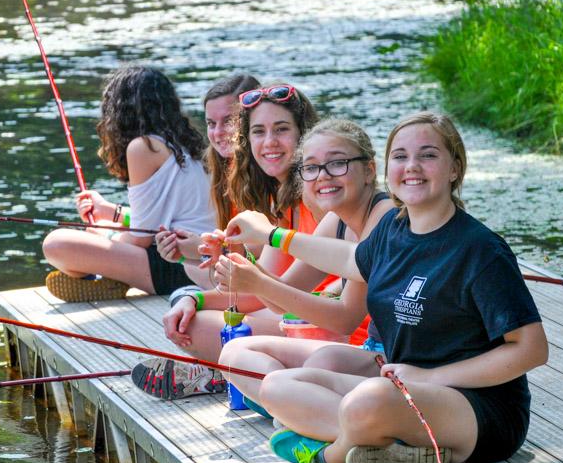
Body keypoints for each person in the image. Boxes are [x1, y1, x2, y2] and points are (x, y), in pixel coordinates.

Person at [221, 112, 548, 463]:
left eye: (427, 155)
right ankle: (389, 446)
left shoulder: (481, 250)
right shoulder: (394, 229)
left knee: (368, 402)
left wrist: (431, 376)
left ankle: (333, 453)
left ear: (455, 168)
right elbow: (348, 259)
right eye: (401, 156)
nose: (412, 167)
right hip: (403, 388)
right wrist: (272, 237)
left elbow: (531, 350)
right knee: (277, 387)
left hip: (477, 407)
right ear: (388, 167)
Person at [131, 84, 320, 397]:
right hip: (293, 316)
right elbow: (268, 287)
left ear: (304, 134)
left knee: (200, 320)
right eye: (259, 132)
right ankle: (231, 371)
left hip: (322, 331)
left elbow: (273, 292)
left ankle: (223, 374)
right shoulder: (282, 200)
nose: (269, 142)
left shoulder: (317, 195)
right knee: (188, 303)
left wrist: (223, 270)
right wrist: (197, 298)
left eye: (282, 129)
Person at [215, 117, 395, 408]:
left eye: (337, 164)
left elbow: (345, 318)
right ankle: (290, 403)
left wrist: (260, 272)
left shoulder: (384, 217)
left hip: (387, 359)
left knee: (326, 360)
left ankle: (292, 406)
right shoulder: (336, 220)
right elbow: (280, 301)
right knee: (235, 353)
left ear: (369, 170)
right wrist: (241, 260)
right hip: (361, 354)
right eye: (311, 168)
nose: (323, 176)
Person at [42, 65, 215, 301]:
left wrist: (105, 238)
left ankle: (114, 275)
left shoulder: (143, 147)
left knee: (56, 244)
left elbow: (141, 238)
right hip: (201, 259)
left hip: (177, 265)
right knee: (94, 235)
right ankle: (114, 275)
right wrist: (111, 213)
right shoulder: (185, 144)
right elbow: (157, 222)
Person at [155, 74, 260, 288]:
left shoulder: (266, 172)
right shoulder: (224, 170)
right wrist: (182, 254)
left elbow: (264, 250)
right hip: (247, 272)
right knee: (189, 267)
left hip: (270, 276)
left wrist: (205, 247)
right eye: (211, 124)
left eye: (229, 121)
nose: (218, 132)